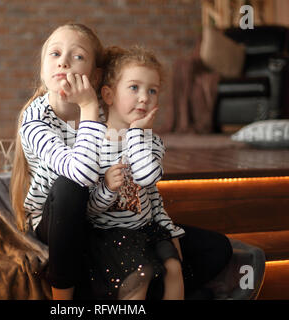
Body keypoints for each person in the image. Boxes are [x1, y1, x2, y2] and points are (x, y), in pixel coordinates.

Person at [84, 46, 233, 300]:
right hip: (109, 237)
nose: (144, 97)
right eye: (134, 88)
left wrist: (169, 230)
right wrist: (108, 188)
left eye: (152, 90)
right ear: (108, 95)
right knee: (139, 274)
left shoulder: (151, 142)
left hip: (147, 229)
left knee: (177, 264)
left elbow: (148, 184)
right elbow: (88, 210)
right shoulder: (91, 143)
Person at [10, 23, 107, 300]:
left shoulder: (106, 107)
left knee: (215, 249)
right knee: (69, 187)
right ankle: (62, 299)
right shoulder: (34, 121)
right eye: (54, 54)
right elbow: (81, 175)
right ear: (43, 69)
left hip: (100, 214)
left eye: (77, 56)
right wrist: (89, 108)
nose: (63, 61)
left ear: (95, 76)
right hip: (54, 222)